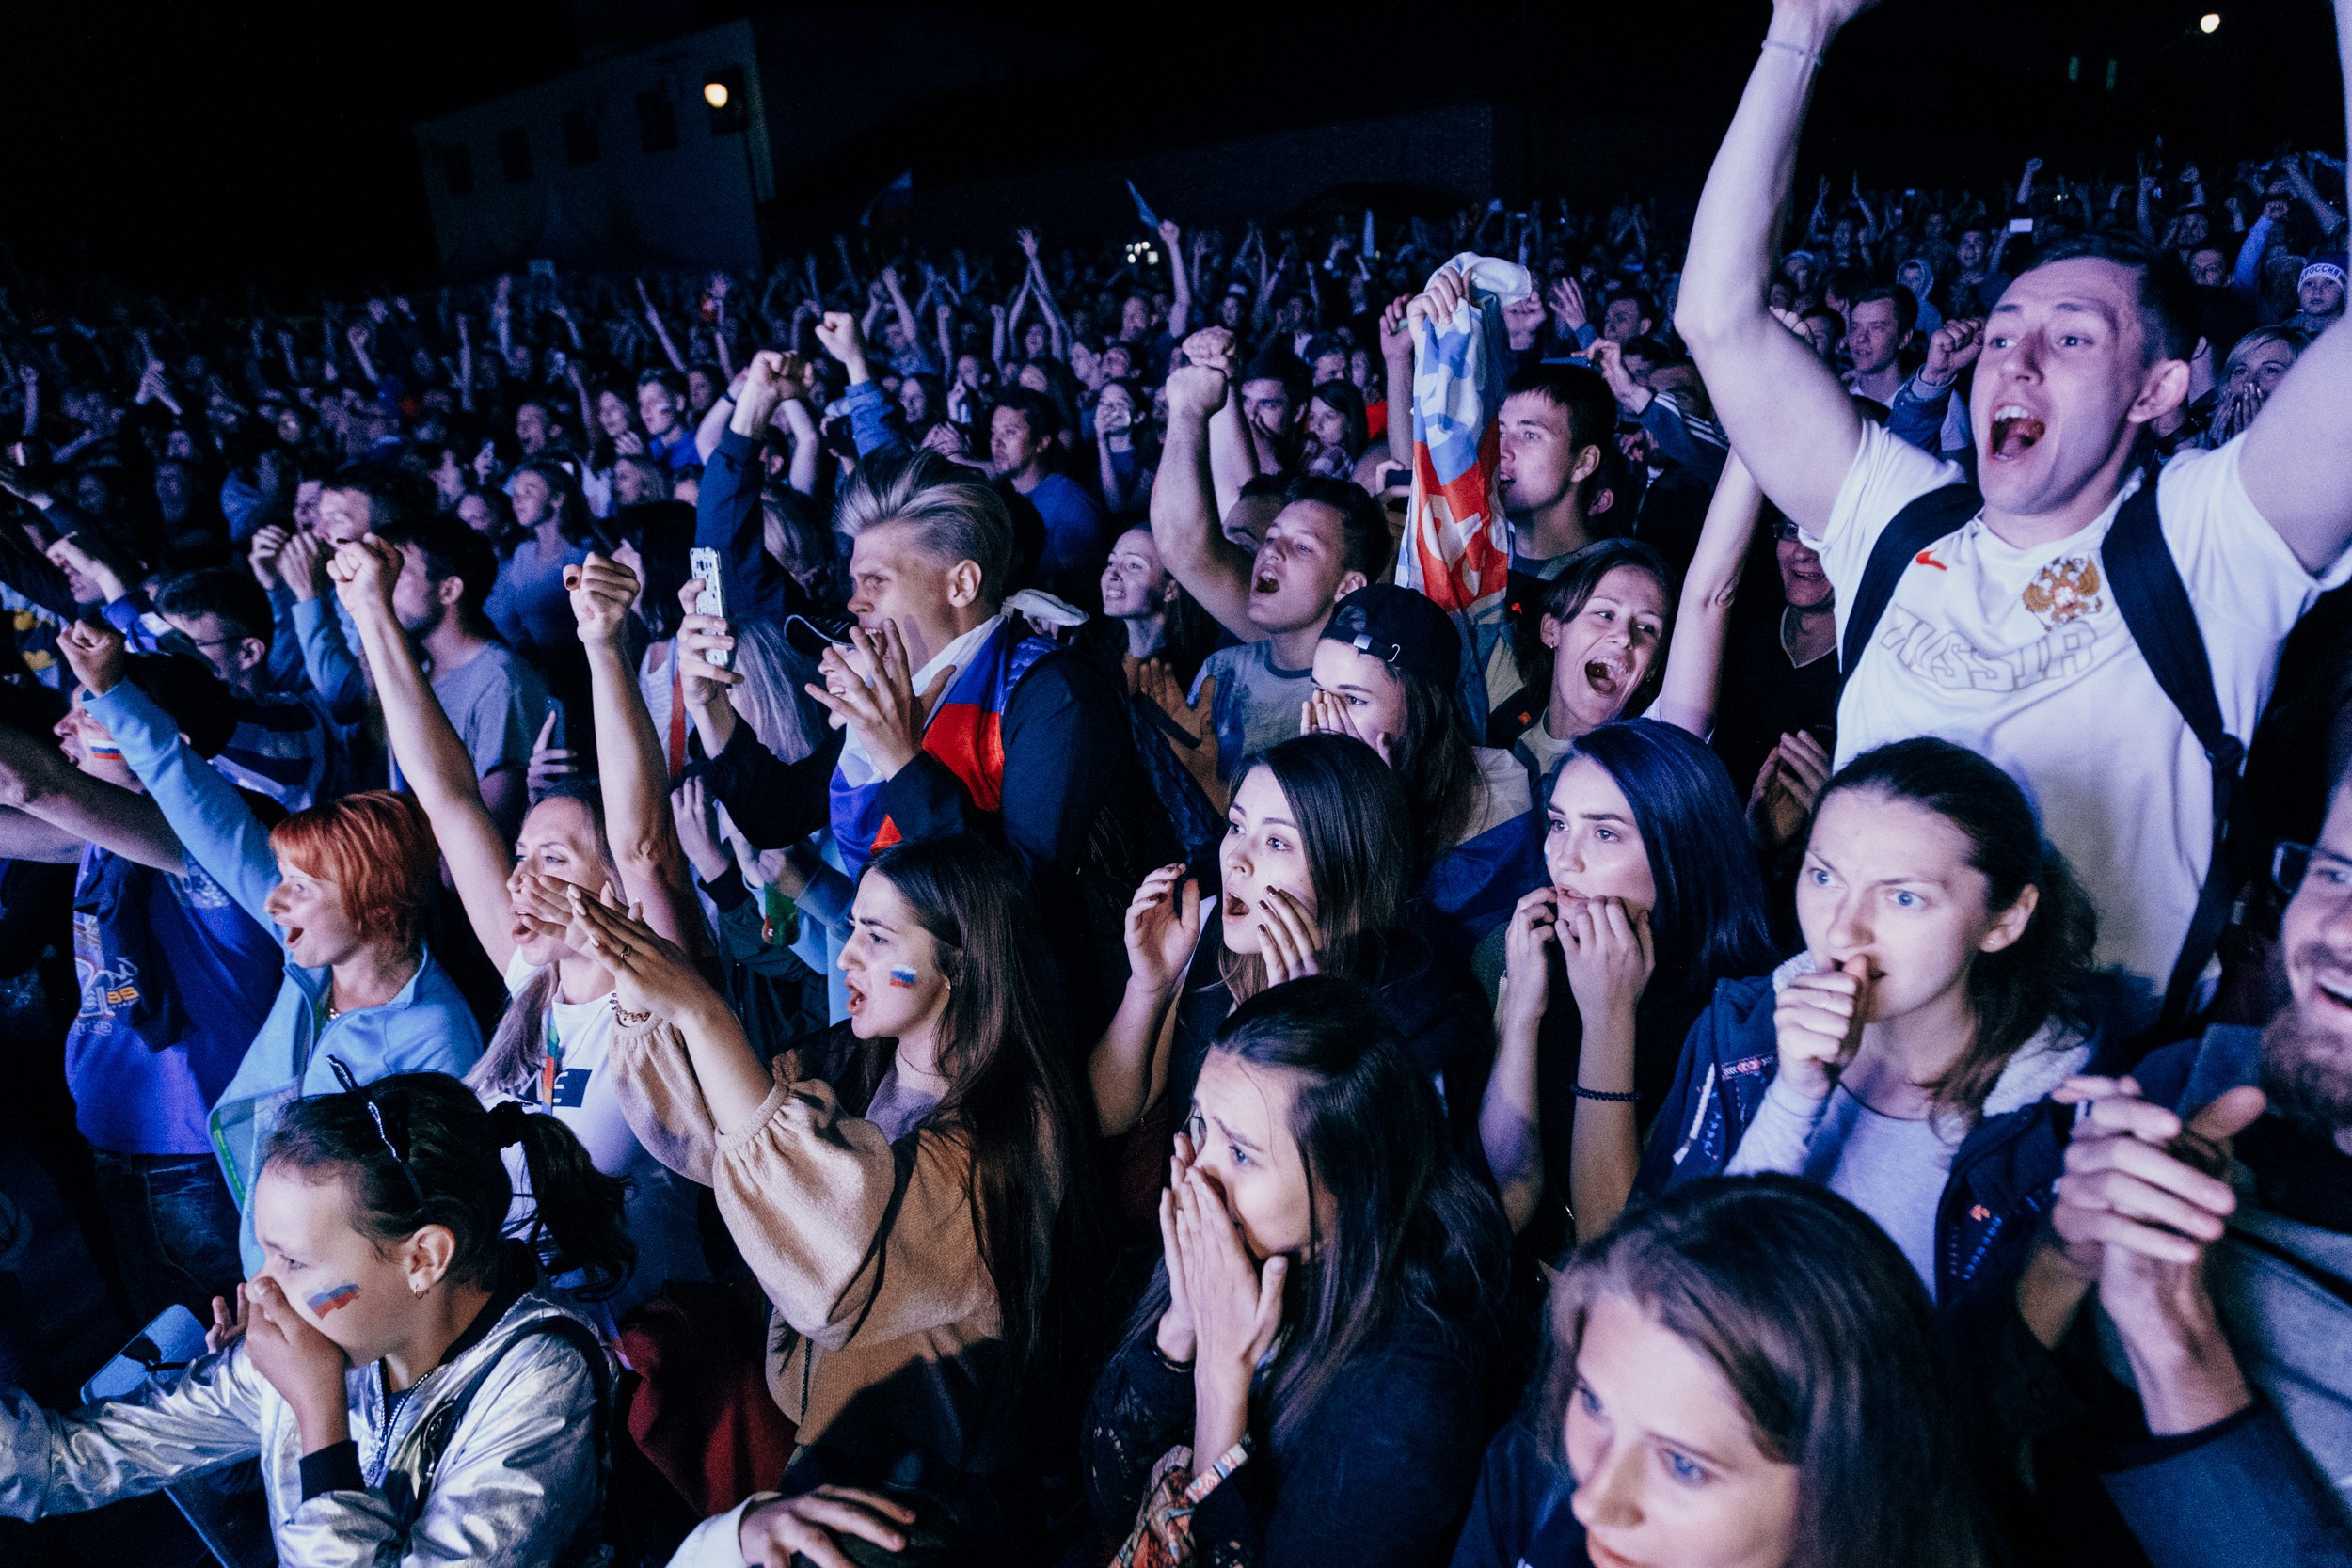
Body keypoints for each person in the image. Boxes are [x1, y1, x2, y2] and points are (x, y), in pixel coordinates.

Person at [1674, 0, 2352, 1026]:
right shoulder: (1904, 525)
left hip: (2077, 1130)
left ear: (2158, 391)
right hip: (1839, 1071)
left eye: (2072, 338)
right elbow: (1716, 319)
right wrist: (1800, 28)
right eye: (2000, 335)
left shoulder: (2211, 537)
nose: (2016, 362)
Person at [583, 835, 1105, 1560]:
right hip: (830, 1469)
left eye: (877, 934)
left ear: (958, 962)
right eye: (853, 926)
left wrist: (705, 1013)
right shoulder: (851, 1061)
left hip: (933, 1514)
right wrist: (640, 997)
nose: (849, 952)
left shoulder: (1014, 1129)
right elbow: (721, 1140)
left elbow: (837, 1263)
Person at [0, 1073, 626, 1567]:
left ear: (423, 1258)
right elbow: (69, 1459)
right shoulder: (330, 1335)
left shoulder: (542, 1378)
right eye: (266, 1250)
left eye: (293, 1260)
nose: (260, 1286)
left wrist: (319, 1421)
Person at [683, 450, 1165, 1039]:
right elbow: (778, 815)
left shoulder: (1054, 692)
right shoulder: (905, 686)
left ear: (961, 583)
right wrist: (710, 704)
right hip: (926, 1015)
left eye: (877, 582)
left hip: (1044, 1032)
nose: (855, 604)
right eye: (854, 582)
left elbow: (1017, 904)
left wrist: (900, 759)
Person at [55, 616, 483, 1271]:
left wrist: (296, 1303)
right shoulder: (315, 974)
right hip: (271, 1269)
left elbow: (424, 1231)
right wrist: (112, 691)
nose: (274, 901)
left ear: (373, 902)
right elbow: (200, 804)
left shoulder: (436, 1034)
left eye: (301, 889)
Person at [1637, 739, 2111, 1316]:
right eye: (1824, 876)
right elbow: (1665, 1284)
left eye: (1904, 897)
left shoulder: (2065, 1123)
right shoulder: (1741, 1031)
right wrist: (1793, 1098)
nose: (1842, 932)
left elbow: (2005, 1385)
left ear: (2005, 919)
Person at [1084, 976, 1512, 1567]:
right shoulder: (1236, 1247)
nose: (1198, 1169)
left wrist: (1219, 1384)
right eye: (1201, 1123)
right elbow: (1109, 1494)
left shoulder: (1407, 1403)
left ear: (1350, 1182)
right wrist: (1183, 1324)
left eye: (1240, 1153)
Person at [1450, 1177, 1993, 1568]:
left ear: (1850, 1491)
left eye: (1684, 1465)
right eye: (1594, 1404)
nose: (1591, 1501)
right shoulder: (1528, 1480)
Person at [0, 654, 282, 1324]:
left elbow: (24, 783)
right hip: (125, 1141)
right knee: (171, 1349)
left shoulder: (206, 832)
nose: (64, 727)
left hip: (195, 1158)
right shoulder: (101, 838)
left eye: (90, 712)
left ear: (166, 743)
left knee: (221, 1364)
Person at [1091, 733, 1491, 1145]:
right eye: (1237, 825)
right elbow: (1107, 1114)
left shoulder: (1416, 1020)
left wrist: (1299, 1041)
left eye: (1276, 842)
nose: (1234, 860)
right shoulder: (1208, 928)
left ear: (1349, 872)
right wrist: (1148, 987)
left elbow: (1374, 1199)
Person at [1481, 720, 1777, 1252]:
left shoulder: (1737, 1020)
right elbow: (1505, 1199)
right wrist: (1521, 1013)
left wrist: (1609, 1022)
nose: (1564, 859)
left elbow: (1610, 1241)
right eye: (1558, 824)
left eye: (1605, 832)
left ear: (1679, 853)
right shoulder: (1530, 950)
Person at [1152, 360, 1388, 789]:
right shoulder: (1221, 672)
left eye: (1301, 546)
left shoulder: (1358, 698)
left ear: (1349, 585)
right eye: (1272, 537)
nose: (1270, 550)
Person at [1303, 583, 1542, 959]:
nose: (1326, 718)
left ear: (1419, 708)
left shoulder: (1495, 797)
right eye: (1318, 692)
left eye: (1353, 700)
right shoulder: (1308, 775)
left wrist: (1378, 816)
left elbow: (1418, 958)